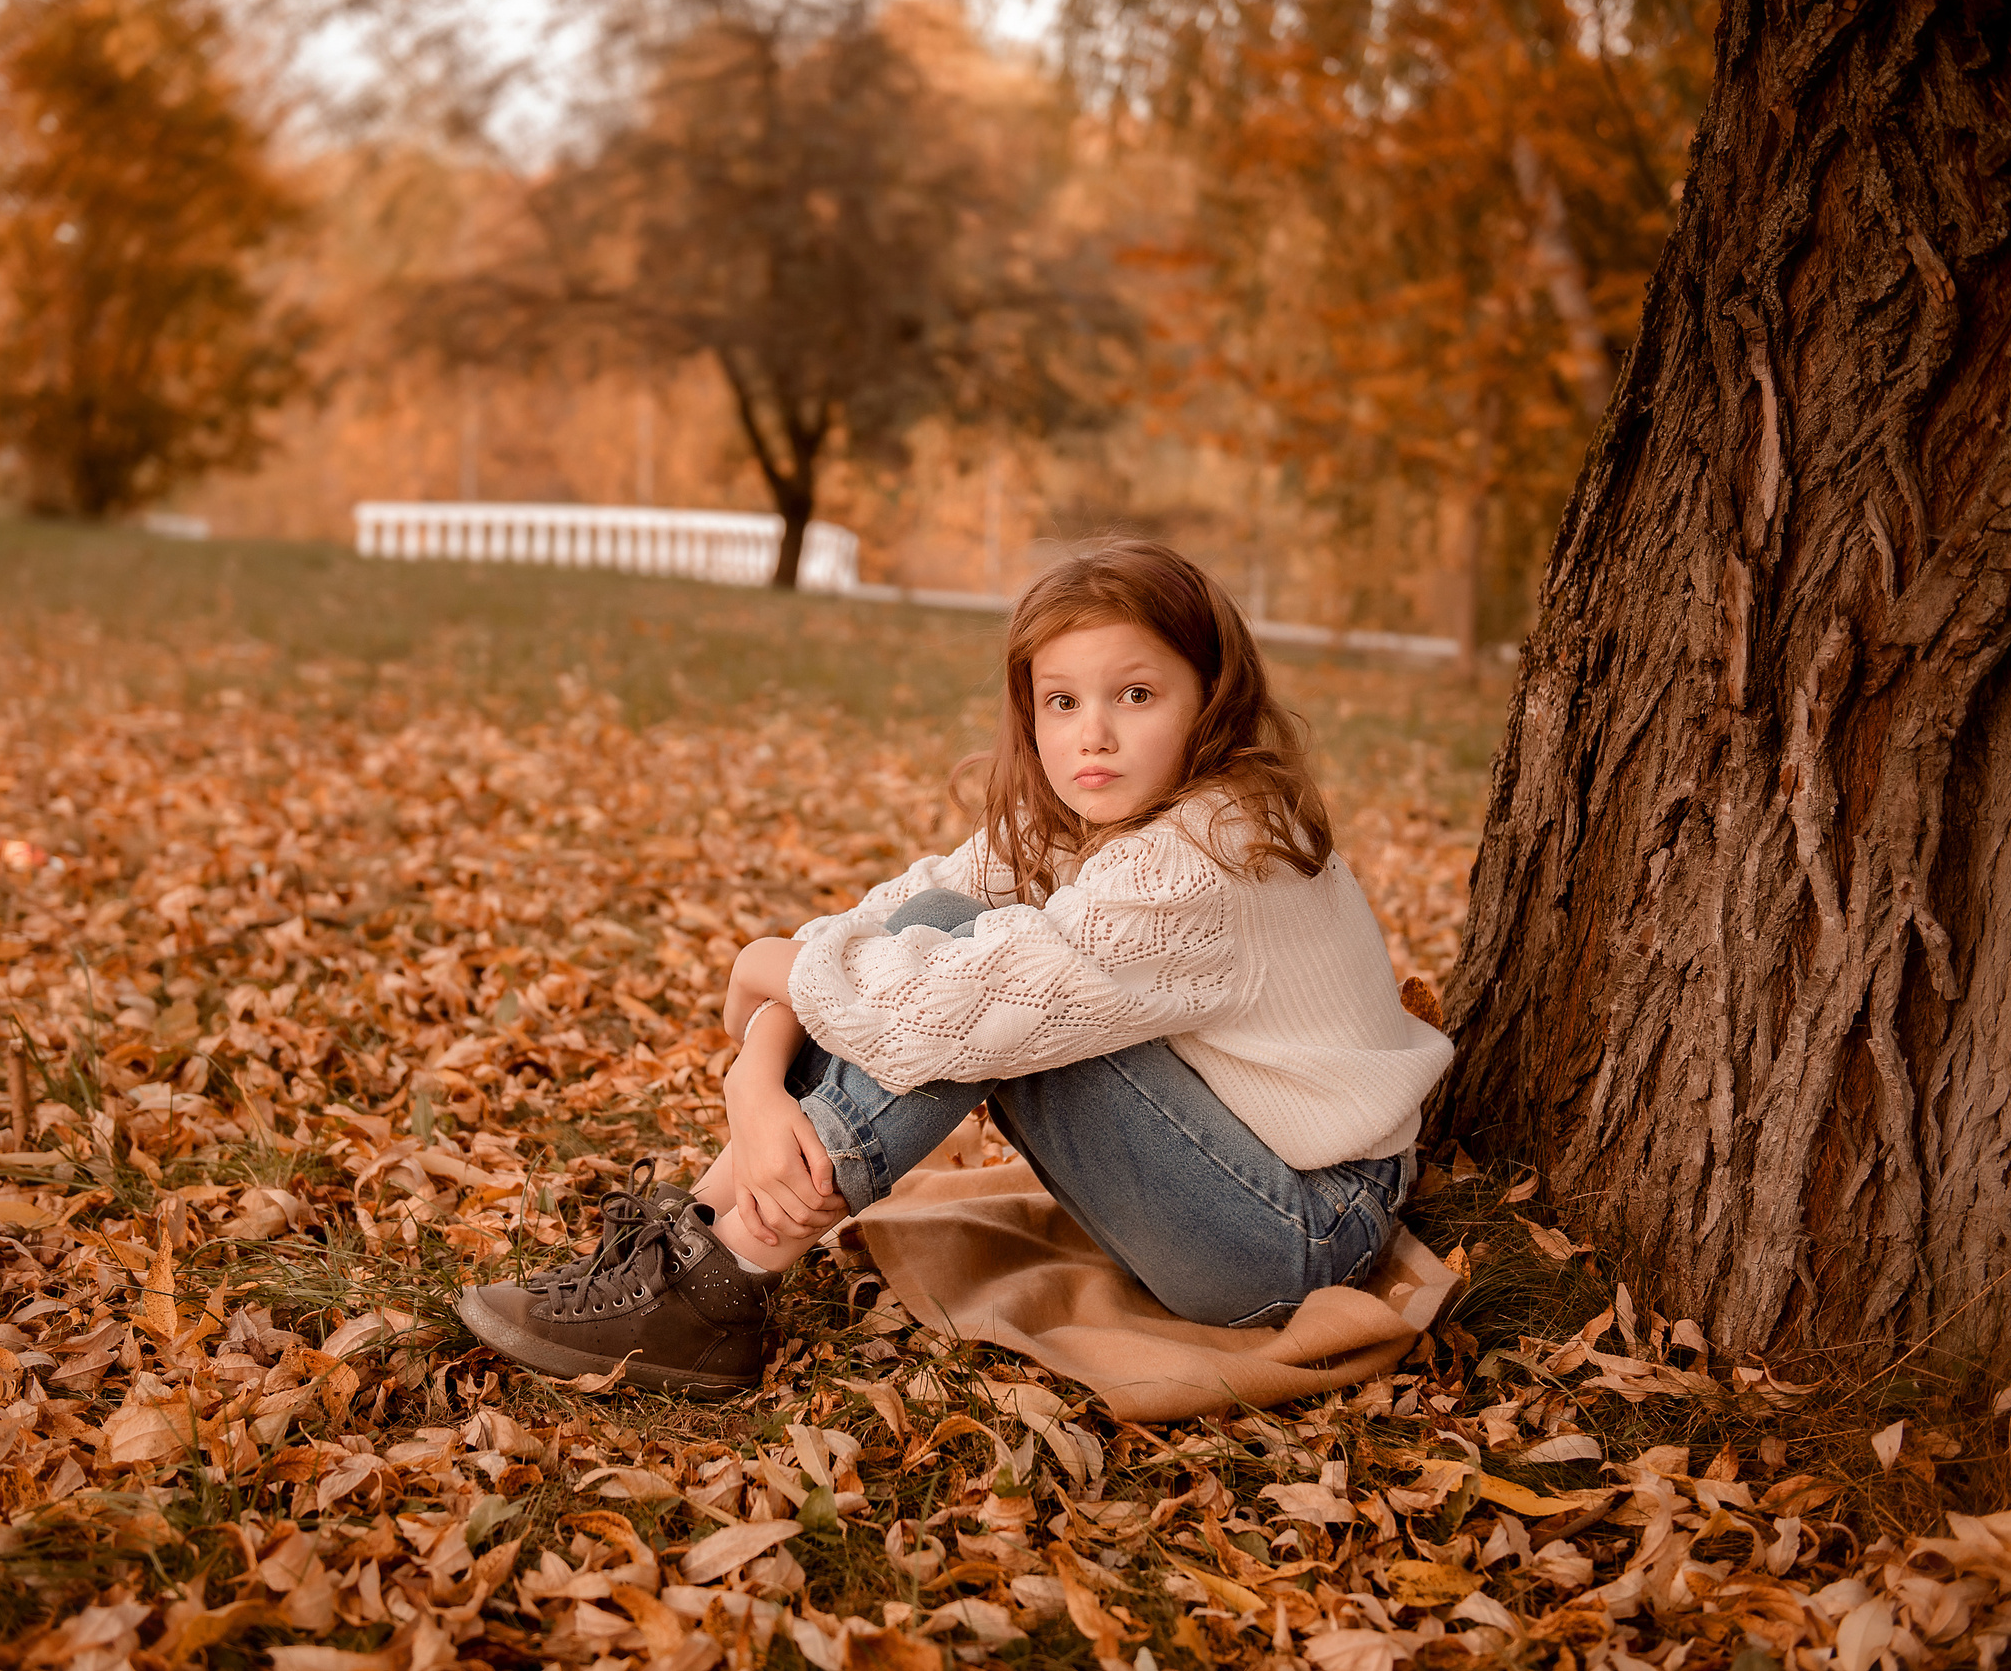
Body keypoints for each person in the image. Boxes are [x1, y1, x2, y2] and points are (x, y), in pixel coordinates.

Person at [459, 541, 1455, 1398]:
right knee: (947, 930)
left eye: (1136, 694)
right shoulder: (1083, 815)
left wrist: (760, 965)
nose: (1091, 734)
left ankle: (713, 1282)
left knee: (985, 998)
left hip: (1298, 1232)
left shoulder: (1205, 855)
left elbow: (927, 1013)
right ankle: (707, 1258)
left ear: (1212, 697)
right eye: (1060, 701)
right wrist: (752, 1079)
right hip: (1240, 1169)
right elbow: (889, 917)